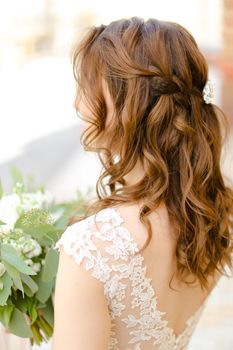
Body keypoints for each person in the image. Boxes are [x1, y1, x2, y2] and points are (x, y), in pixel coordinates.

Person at [52, 16, 233, 350]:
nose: (78, 104)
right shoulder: (209, 215)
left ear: (130, 103)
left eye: (88, 88)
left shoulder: (91, 248)